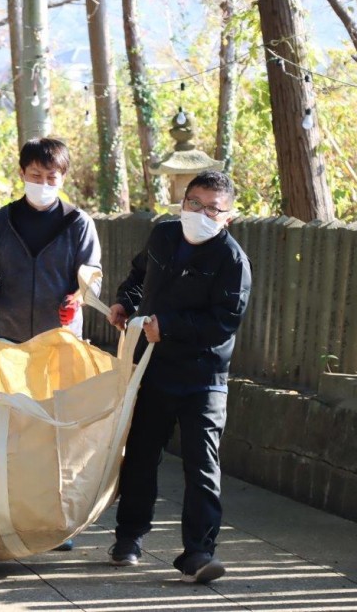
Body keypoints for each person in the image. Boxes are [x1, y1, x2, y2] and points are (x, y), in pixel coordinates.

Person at [105, 170, 252, 583]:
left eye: (212, 209)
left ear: (228, 217)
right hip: (152, 368)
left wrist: (167, 325)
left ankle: (199, 553)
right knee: (140, 455)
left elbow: (224, 322)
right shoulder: (163, 236)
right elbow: (139, 277)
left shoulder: (233, 261)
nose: (201, 214)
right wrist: (124, 302)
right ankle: (128, 538)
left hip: (203, 377)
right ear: (182, 201)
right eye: (194, 204)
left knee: (201, 465)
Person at [0, 137, 102, 550]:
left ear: (63, 177)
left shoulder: (78, 223)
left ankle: (55, 522)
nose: (43, 182)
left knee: (55, 433)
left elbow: (91, 275)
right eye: (35, 175)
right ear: (22, 173)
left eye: (52, 176)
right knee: (10, 432)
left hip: (59, 343)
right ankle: (9, 514)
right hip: (8, 344)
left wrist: (78, 295)